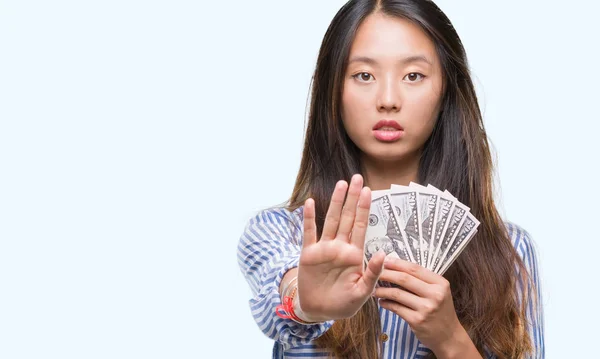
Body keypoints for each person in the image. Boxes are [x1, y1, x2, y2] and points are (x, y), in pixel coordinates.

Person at [236, 0, 544, 358]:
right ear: (333, 91)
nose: (387, 99)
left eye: (413, 75)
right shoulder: (278, 232)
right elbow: (285, 291)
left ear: (446, 90)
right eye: (364, 75)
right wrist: (305, 302)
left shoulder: (508, 253)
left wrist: (449, 339)